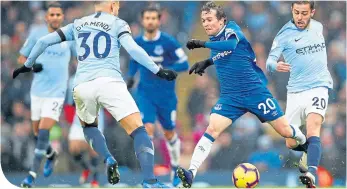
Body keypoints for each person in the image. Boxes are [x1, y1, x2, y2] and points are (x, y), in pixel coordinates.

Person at [13, 1, 177, 188]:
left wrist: (27, 65)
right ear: (113, 5)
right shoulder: (118, 24)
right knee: (139, 131)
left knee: (89, 127)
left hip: (82, 86)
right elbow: (133, 50)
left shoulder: (78, 24)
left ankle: (108, 158)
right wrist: (157, 70)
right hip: (110, 82)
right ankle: (150, 181)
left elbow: (43, 41)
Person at [175, 2, 306, 188]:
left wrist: (200, 44)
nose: (205, 23)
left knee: (285, 131)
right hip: (230, 97)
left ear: (222, 21)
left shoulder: (232, 29)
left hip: (255, 92)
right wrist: (206, 62)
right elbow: (225, 55)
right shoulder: (215, 44)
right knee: (212, 129)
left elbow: (231, 45)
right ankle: (191, 173)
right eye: (203, 20)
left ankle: (302, 140)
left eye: (210, 19)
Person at [266, 1, 333, 188]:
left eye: (304, 13)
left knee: (314, 127)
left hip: (319, 86)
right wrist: (275, 65)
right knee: (289, 142)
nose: (300, 17)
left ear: (312, 12)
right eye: (296, 12)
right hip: (295, 91)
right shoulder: (284, 34)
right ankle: (308, 150)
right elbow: (269, 61)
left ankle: (311, 173)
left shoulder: (318, 27)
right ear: (291, 11)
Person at [126, 6, 189, 187]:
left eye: (154, 18)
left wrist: (170, 70)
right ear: (142, 20)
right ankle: (149, 176)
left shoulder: (169, 42)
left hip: (167, 97)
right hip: (146, 94)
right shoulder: (136, 42)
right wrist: (130, 77)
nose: (150, 21)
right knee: (147, 130)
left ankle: (176, 169)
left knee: (169, 133)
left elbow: (184, 64)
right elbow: (133, 62)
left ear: (159, 20)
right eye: (147, 18)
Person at [17, 2, 75, 187]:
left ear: (62, 17)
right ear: (46, 17)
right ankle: (51, 154)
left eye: (59, 14)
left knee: (43, 131)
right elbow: (21, 58)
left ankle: (31, 175)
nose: (56, 17)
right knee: (37, 133)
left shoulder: (70, 36)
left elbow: (80, 59)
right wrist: (33, 66)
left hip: (57, 93)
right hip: (38, 91)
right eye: (53, 14)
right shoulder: (36, 33)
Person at [67, 76, 104, 188]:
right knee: (73, 149)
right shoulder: (72, 81)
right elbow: (71, 103)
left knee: (93, 150)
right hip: (79, 120)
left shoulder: (100, 79)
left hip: (95, 119)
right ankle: (86, 168)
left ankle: (95, 180)